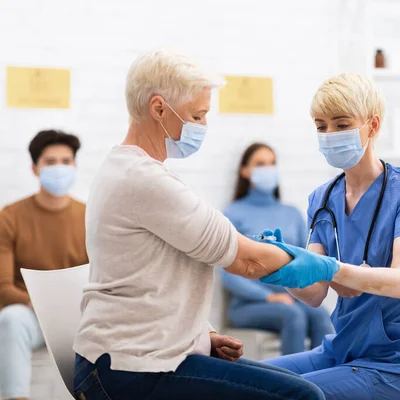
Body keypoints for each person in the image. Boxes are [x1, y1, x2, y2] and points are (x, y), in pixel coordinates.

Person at [71, 49, 341, 400]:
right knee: (304, 397)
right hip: (128, 369)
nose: (203, 126)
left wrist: (200, 335)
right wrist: (331, 268)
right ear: (158, 109)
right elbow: (247, 260)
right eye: (197, 115)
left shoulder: (126, 169)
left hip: (135, 357)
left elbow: (149, 280)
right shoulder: (144, 180)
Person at [258, 73, 400, 400]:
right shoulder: (323, 198)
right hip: (342, 350)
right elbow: (314, 293)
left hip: (396, 365)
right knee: (247, 382)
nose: (329, 134)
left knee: (289, 395)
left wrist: (331, 269)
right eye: (321, 125)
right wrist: (282, 266)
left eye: (341, 124)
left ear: (372, 126)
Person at [0, 130, 88, 400]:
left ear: (75, 165)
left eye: (66, 160)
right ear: (35, 168)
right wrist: (42, 305)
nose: (59, 167)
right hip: (31, 315)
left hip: (77, 317)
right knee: (11, 319)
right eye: (50, 162)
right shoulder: (9, 217)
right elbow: (3, 287)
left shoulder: (89, 216)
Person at [222, 143, 333, 355]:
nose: (268, 169)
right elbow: (227, 274)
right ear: (245, 171)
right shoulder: (234, 213)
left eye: (272, 163)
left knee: (320, 315)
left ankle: (322, 381)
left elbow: (305, 260)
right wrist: (268, 297)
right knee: (293, 315)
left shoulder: (291, 213)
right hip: (248, 305)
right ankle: (295, 383)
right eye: (261, 164)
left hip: (292, 299)